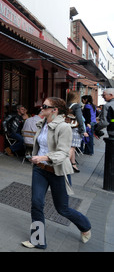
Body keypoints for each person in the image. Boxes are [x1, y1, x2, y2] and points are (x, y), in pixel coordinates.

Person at [21, 97, 91, 249]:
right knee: (36, 203)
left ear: (55, 110)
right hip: (40, 170)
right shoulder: (42, 124)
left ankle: (85, 226)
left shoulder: (64, 127)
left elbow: (63, 153)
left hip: (57, 172)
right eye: (42, 105)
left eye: (45, 106)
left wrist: (44, 157)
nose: (41, 107)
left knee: (62, 209)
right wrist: (37, 159)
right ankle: (38, 240)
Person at [66, 91, 88, 173]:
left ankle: (73, 164)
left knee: (72, 147)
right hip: (75, 128)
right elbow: (79, 119)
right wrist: (83, 131)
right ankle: (64, 165)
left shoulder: (66, 105)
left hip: (66, 127)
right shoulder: (77, 106)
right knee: (72, 148)